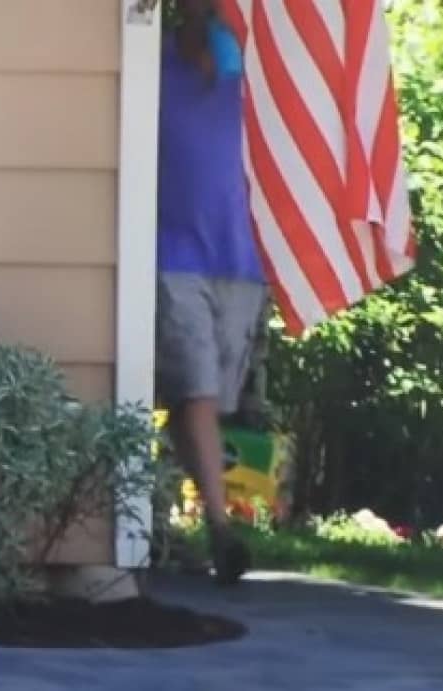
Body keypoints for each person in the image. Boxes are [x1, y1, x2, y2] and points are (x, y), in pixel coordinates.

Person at [151, 0, 269, 585]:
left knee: (202, 399)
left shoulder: (251, 70)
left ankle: (153, 518)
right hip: (174, 254)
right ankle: (221, 530)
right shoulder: (153, 68)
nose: (214, 16)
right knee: (196, 390)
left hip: (240, 258)